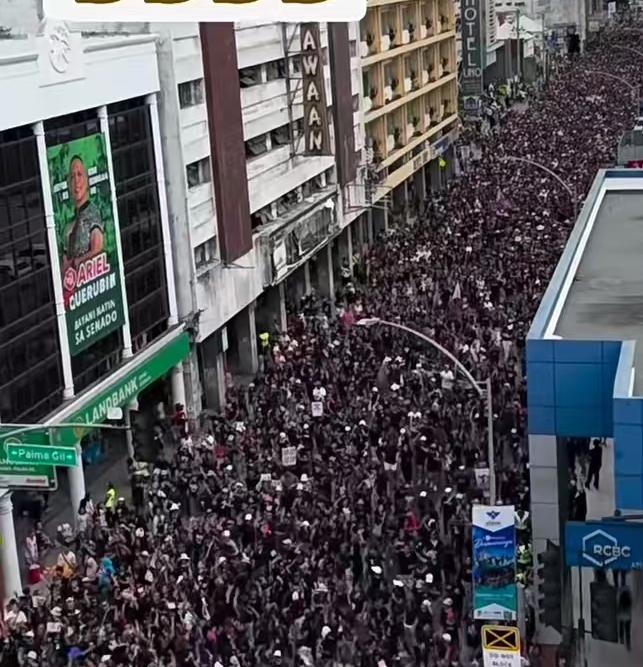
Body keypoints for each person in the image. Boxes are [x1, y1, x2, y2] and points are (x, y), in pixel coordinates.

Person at [63, 155, 105, 267]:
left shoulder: (93, 214)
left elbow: (97, 250)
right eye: (72, 177)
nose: (76, 181)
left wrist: (75, 263)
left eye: (79, 174)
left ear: (87, 180)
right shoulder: (68, 225)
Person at [617, 581, 632, 651]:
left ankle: (621, 639)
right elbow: (630, 606)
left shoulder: (621, 597)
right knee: (627, 631)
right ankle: (628, 644)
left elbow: (619, 606)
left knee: (621, 628)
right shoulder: (628, 597)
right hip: (628, 616)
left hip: (621, 615)